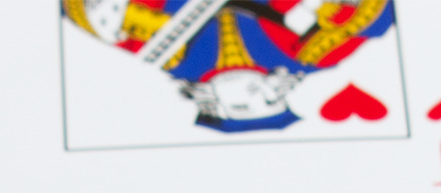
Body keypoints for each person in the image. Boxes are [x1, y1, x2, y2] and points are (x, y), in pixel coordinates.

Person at [63, 0, 396, 133]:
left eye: (246, 106)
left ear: (210, 103)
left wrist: (130, 18)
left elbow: (85, 13)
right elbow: (376, 17)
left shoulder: (169, 57)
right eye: (274, 101)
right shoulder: (311, 54)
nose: (267, 93)